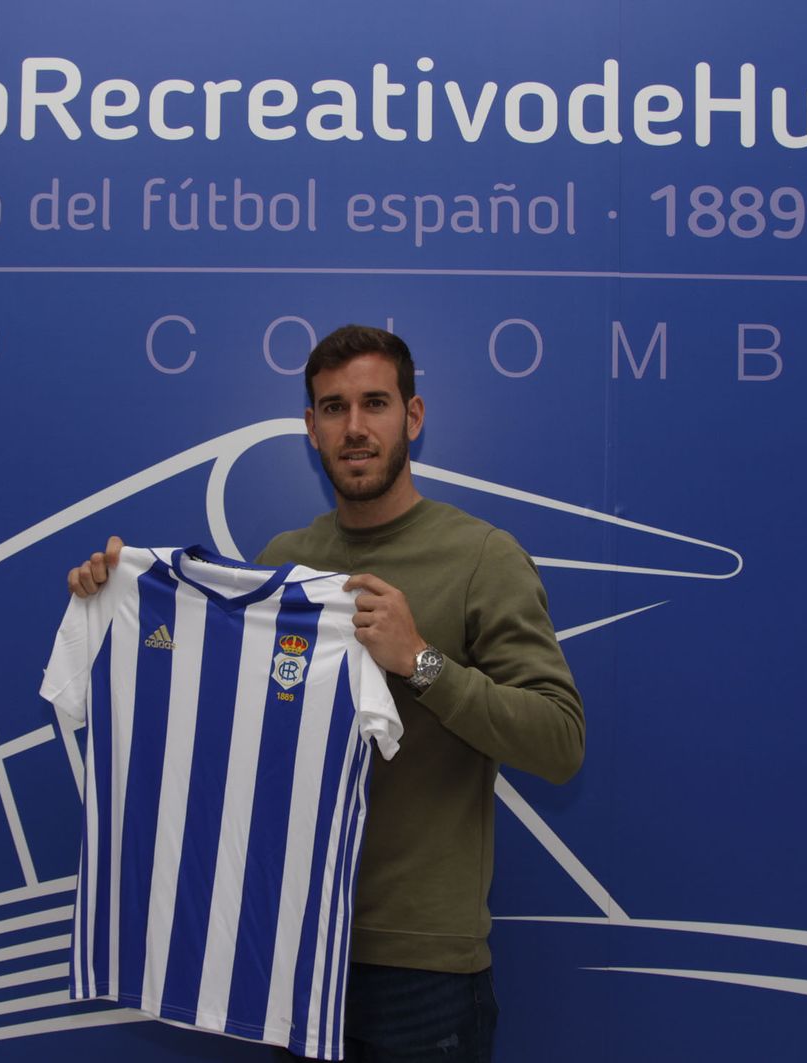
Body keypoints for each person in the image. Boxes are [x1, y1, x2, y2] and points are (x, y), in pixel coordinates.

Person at [66, 324, 585, 1061]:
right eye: (333, 408)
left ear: (413, 415)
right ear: (310, 429)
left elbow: (561, 742)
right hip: (293, 948)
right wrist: (116, 597)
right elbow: (221, 719)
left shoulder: (482, 558)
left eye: (375, 403)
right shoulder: (285, 561)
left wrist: (421, 660)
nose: (355, 427)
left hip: (420, 966)